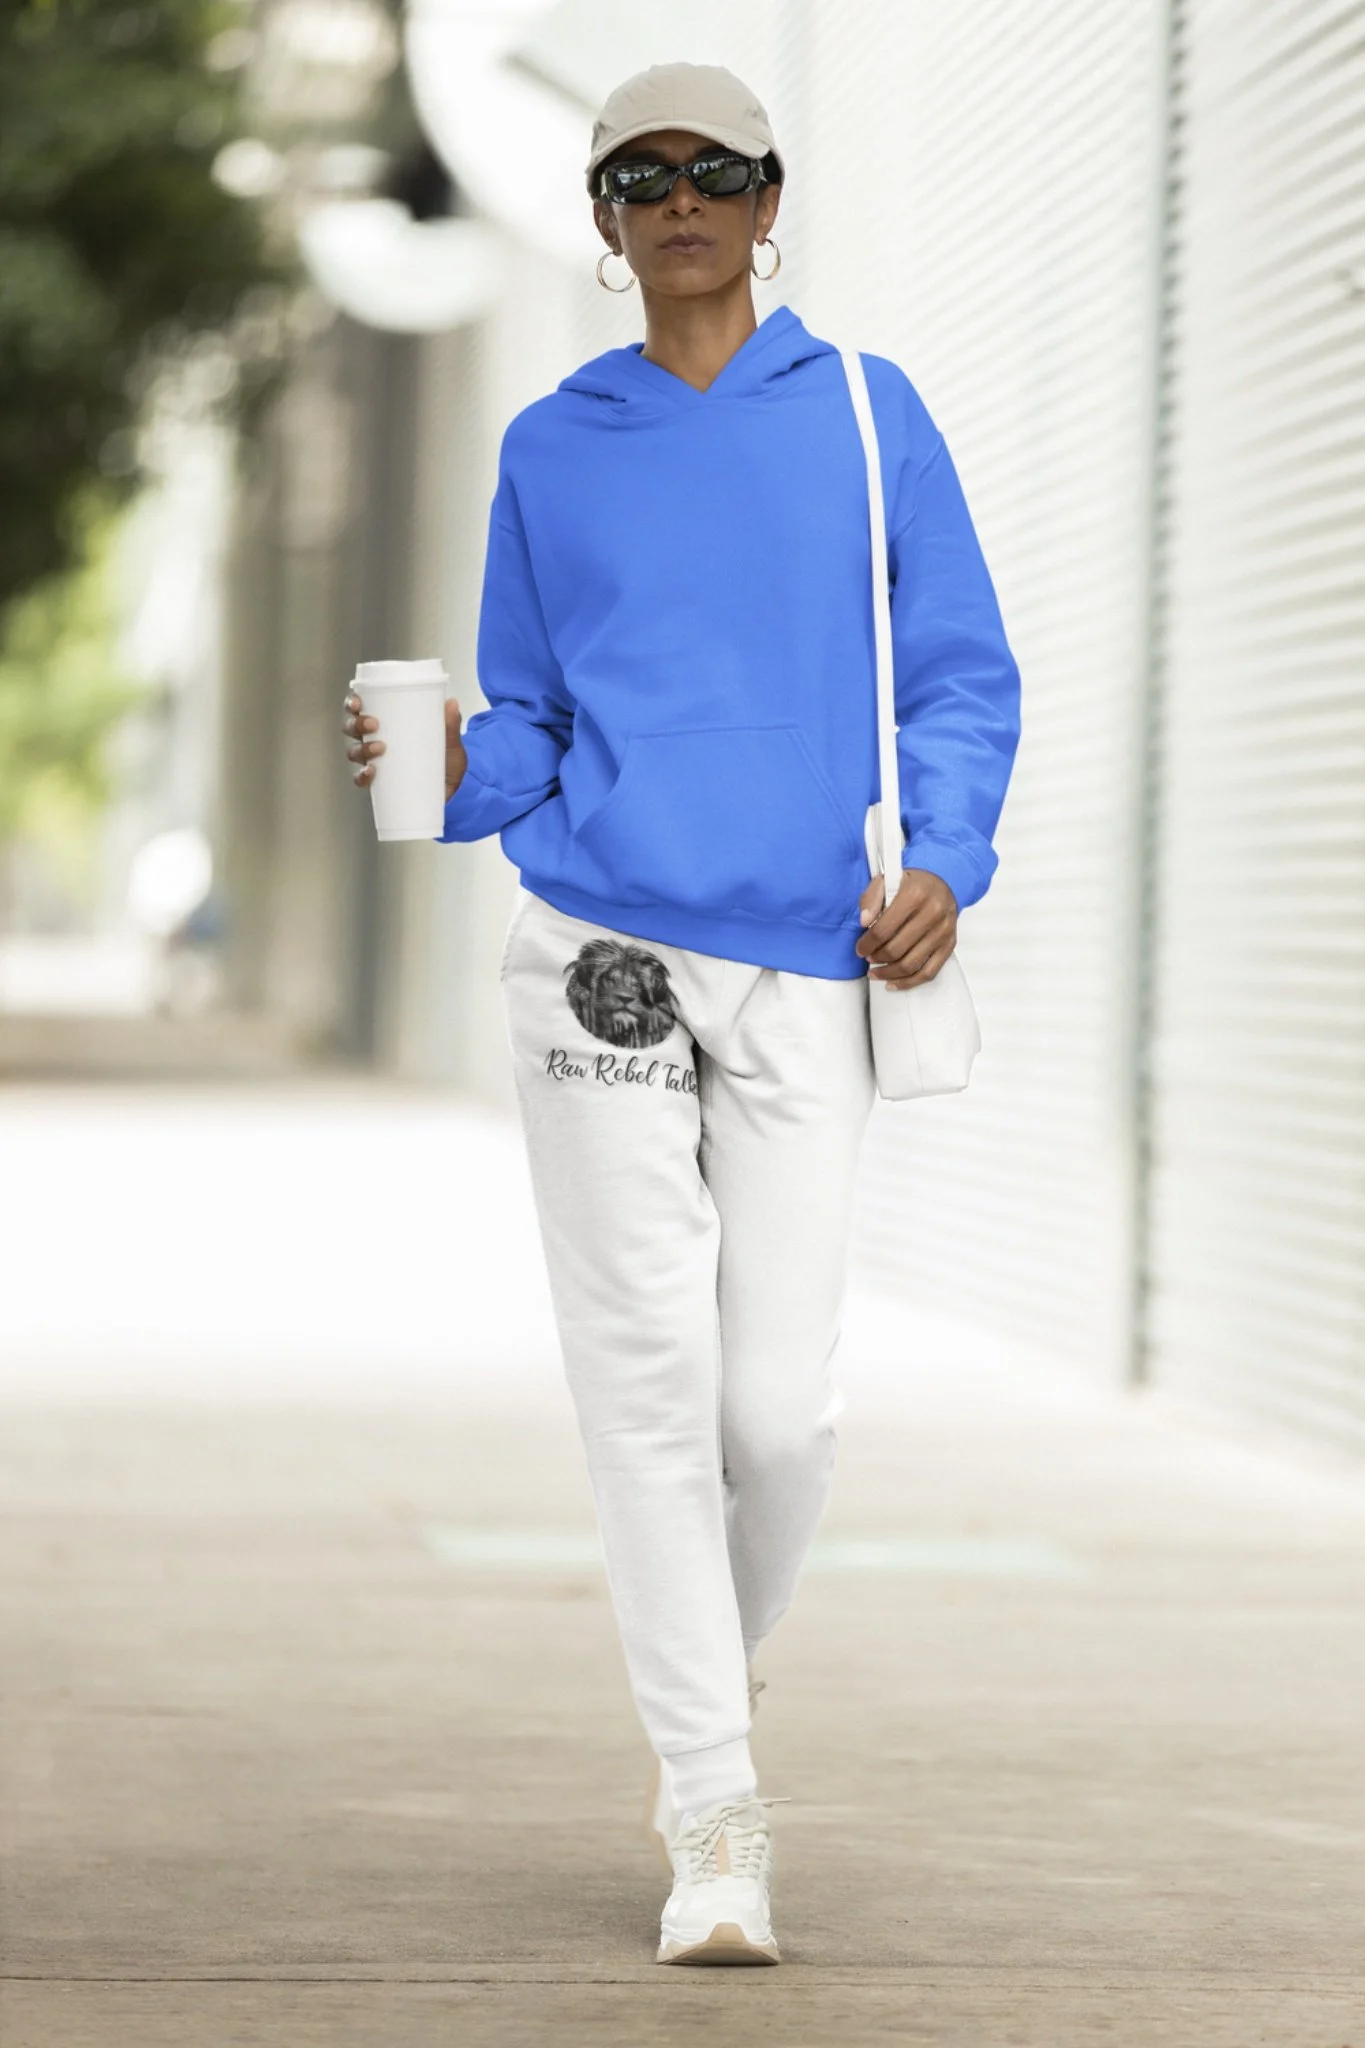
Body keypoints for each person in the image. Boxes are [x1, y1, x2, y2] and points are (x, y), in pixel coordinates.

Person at [343, 60, 1021, 1967]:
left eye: (716, 170)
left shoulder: (871, 416)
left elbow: (959, 675)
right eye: (642, 177)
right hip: (601, 951)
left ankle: (699, 1677)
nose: (682, 200)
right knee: (646, 1387)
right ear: (605, 220)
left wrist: (946, 861)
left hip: (813, 954)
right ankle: (715, 1809)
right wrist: (457, 770)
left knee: (774, 1416)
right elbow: (537, 720)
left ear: (769, 199)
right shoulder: (553, 443)